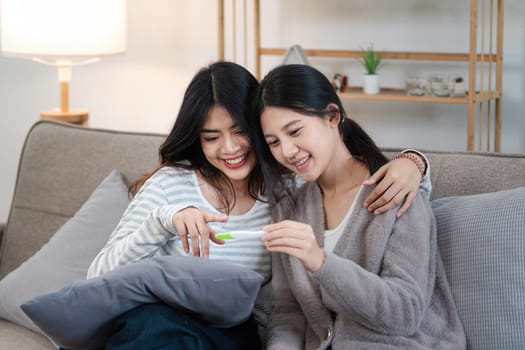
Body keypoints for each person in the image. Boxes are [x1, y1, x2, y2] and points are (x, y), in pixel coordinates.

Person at [87, 61, 431, 350]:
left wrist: (414, 163)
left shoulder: (286, 191)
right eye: (210, 137)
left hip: (236, 335)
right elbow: (97, 277)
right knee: (158, 328)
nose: (230, 148)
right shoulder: (173, 187)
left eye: (241, 132)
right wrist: (163, 220)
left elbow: (367, 184)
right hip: (161, 328)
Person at [249, 64, 466, 349]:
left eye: (295, 131)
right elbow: (289, 313)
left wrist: (320, 261)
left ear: (332, 117)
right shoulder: (290, 208)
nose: (287, 151)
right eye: (274, 142)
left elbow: (405, 312)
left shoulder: (396, 190)